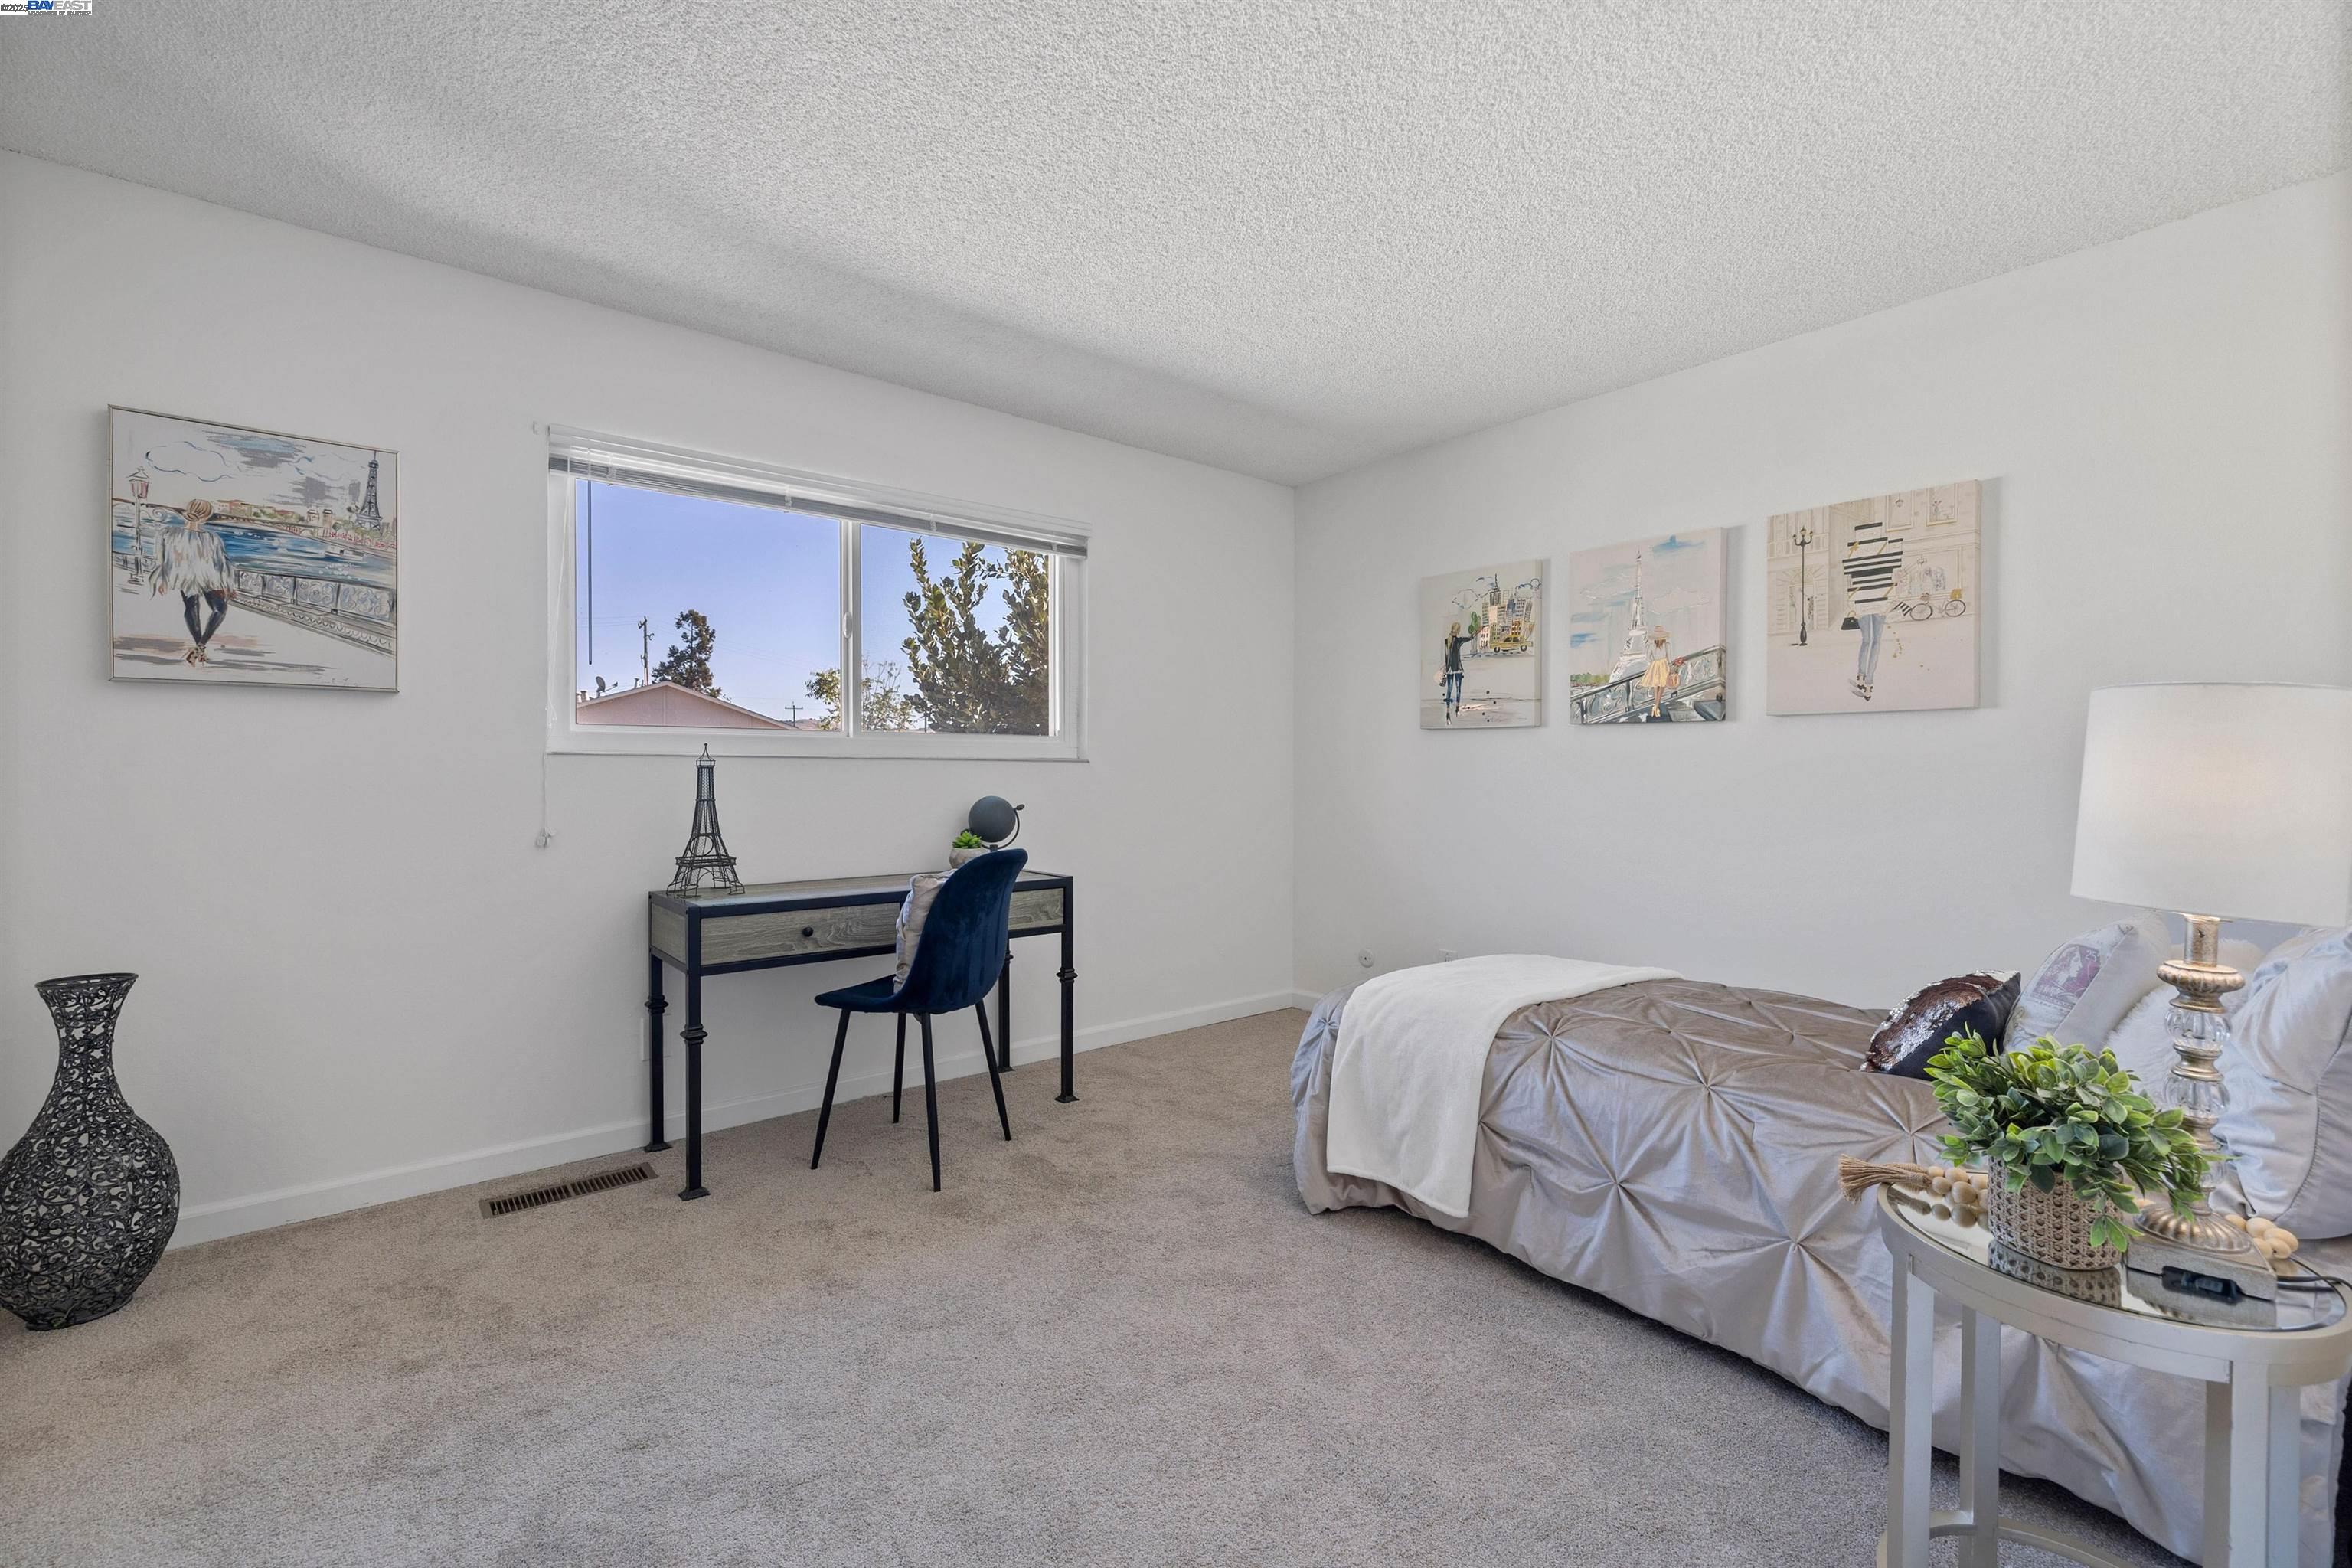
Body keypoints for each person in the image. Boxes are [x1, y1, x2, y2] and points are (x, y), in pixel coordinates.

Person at [151, 497, 234, 665]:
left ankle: (199, 648)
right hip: (211, 579)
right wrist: (228, 585)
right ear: (205, 517)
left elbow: (162, 560)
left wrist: (163, 580)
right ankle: (200, 647)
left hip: (186, 578)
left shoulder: (169, 534)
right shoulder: (212, 538)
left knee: (192, 608)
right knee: (220, 610)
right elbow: (222, 563)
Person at [1438, 619, 1477, 721]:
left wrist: (1447, 668)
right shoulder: (1459, 641)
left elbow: (1447, 657)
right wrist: (1477, 631)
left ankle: (1447, 713)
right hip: (1458, 669)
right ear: (1458, 630)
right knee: (1458, 689)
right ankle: (1457, 710)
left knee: (1449, 690)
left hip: (1450, 669)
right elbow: (1470, 638)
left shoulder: (1446, 641)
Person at [1639, 625, 1678, 718]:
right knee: (1662, 685)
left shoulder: (1652, 646)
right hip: (1664, 664)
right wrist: (1670, 667)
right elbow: (1669, 658)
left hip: (1655, 665)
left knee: (1656, 685)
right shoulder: (1667, 645)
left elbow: (1648, 658)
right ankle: (1656, 706)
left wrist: (1654, 661)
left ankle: (1655, 706)